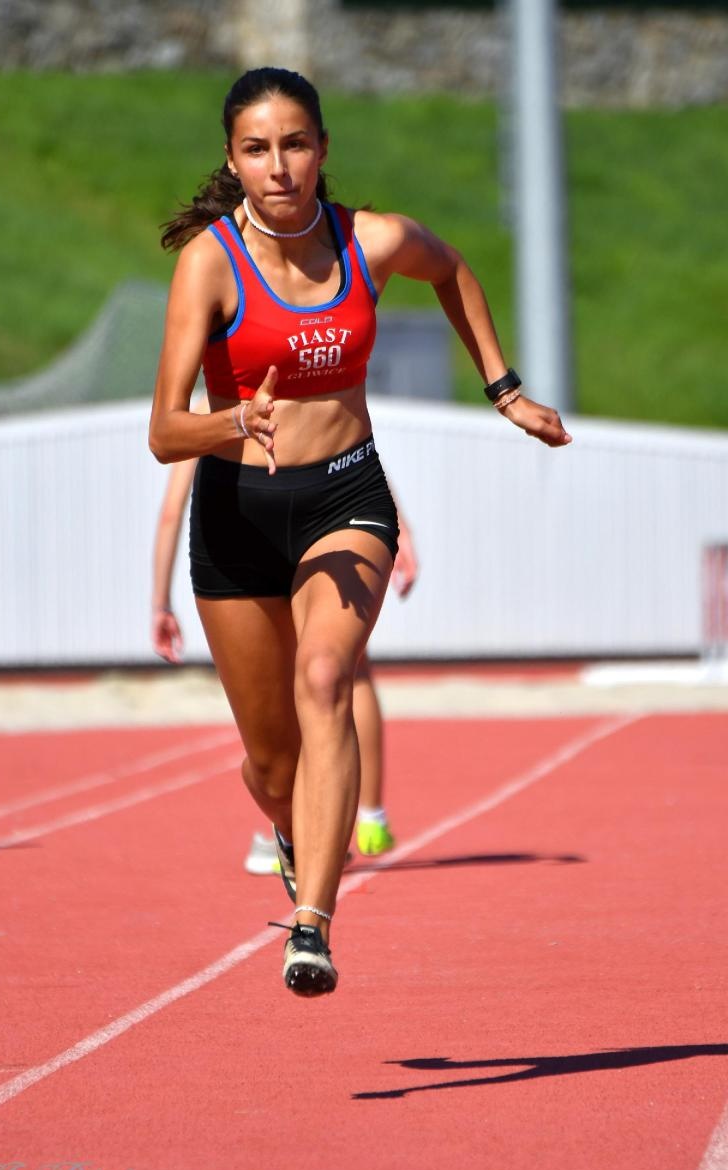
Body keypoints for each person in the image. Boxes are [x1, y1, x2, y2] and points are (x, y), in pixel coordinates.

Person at [148, 67, 571, 998]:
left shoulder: (370, 241)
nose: (279, 166)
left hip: (346, 496)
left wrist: (504, 390)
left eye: (295, 144)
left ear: (322, 149)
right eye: (257, 149)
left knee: (326, 677)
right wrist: (233, 422)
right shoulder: (210, 265)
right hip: (235, 513)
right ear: (233, 160)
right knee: (272, 766)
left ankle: (312, 925)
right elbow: (164, 432)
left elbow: (451, 268)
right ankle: (292, 829)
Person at [150, 420, 419, 865]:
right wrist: (401, 528)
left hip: (263, 550)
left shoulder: (205, 413)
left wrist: (160, 601)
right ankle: (367, 817)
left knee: (308, 686)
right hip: (330, 530)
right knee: (346, 675)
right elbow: (354, 452)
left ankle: (303, 827)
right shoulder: (296, 398)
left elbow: (170, 513)